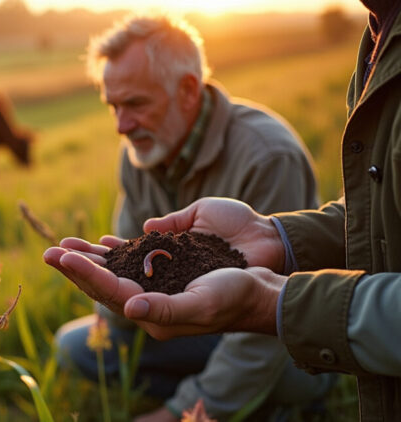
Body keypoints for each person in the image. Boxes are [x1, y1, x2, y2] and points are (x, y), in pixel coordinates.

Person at [45, 1, 401, 420]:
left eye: (136, 104)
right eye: (113, 106)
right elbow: (127, 265)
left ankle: (243, 400)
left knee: (283, 375)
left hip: (274, 337)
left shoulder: (266, 155)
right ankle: (237, 398)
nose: (121, 125)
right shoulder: (138, 151)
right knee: (77, 346)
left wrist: (180, 412)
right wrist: (114, 299)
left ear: (189, 90)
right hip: (200, 318)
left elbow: (269, 320)